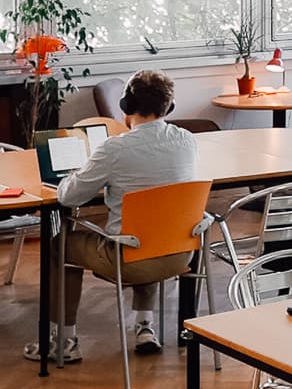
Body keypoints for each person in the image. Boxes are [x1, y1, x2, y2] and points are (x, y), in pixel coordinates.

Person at [51, 69, 199, 364]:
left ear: (125, 107)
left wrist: (73, 174)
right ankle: (145, 327)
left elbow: (69, 197)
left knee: (59, 244)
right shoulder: (186, 140)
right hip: (180, 255)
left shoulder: (113, 148)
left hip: (128, 262)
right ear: (168, 108)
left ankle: (64, 341)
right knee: (152, 228)